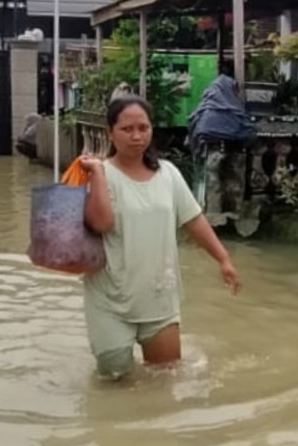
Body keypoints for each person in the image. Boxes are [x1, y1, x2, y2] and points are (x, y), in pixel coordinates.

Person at [80, 95, 241, 380]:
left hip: (158, 295)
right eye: (127, 129)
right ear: (110, 132)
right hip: (110, 298)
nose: (136, 136)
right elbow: (101, 223)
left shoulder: (168, 174)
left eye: (143, 128)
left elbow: (193, 219)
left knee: (165, 378)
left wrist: (223, 258)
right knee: (114, 378)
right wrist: (97, 173)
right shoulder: (99, 174)